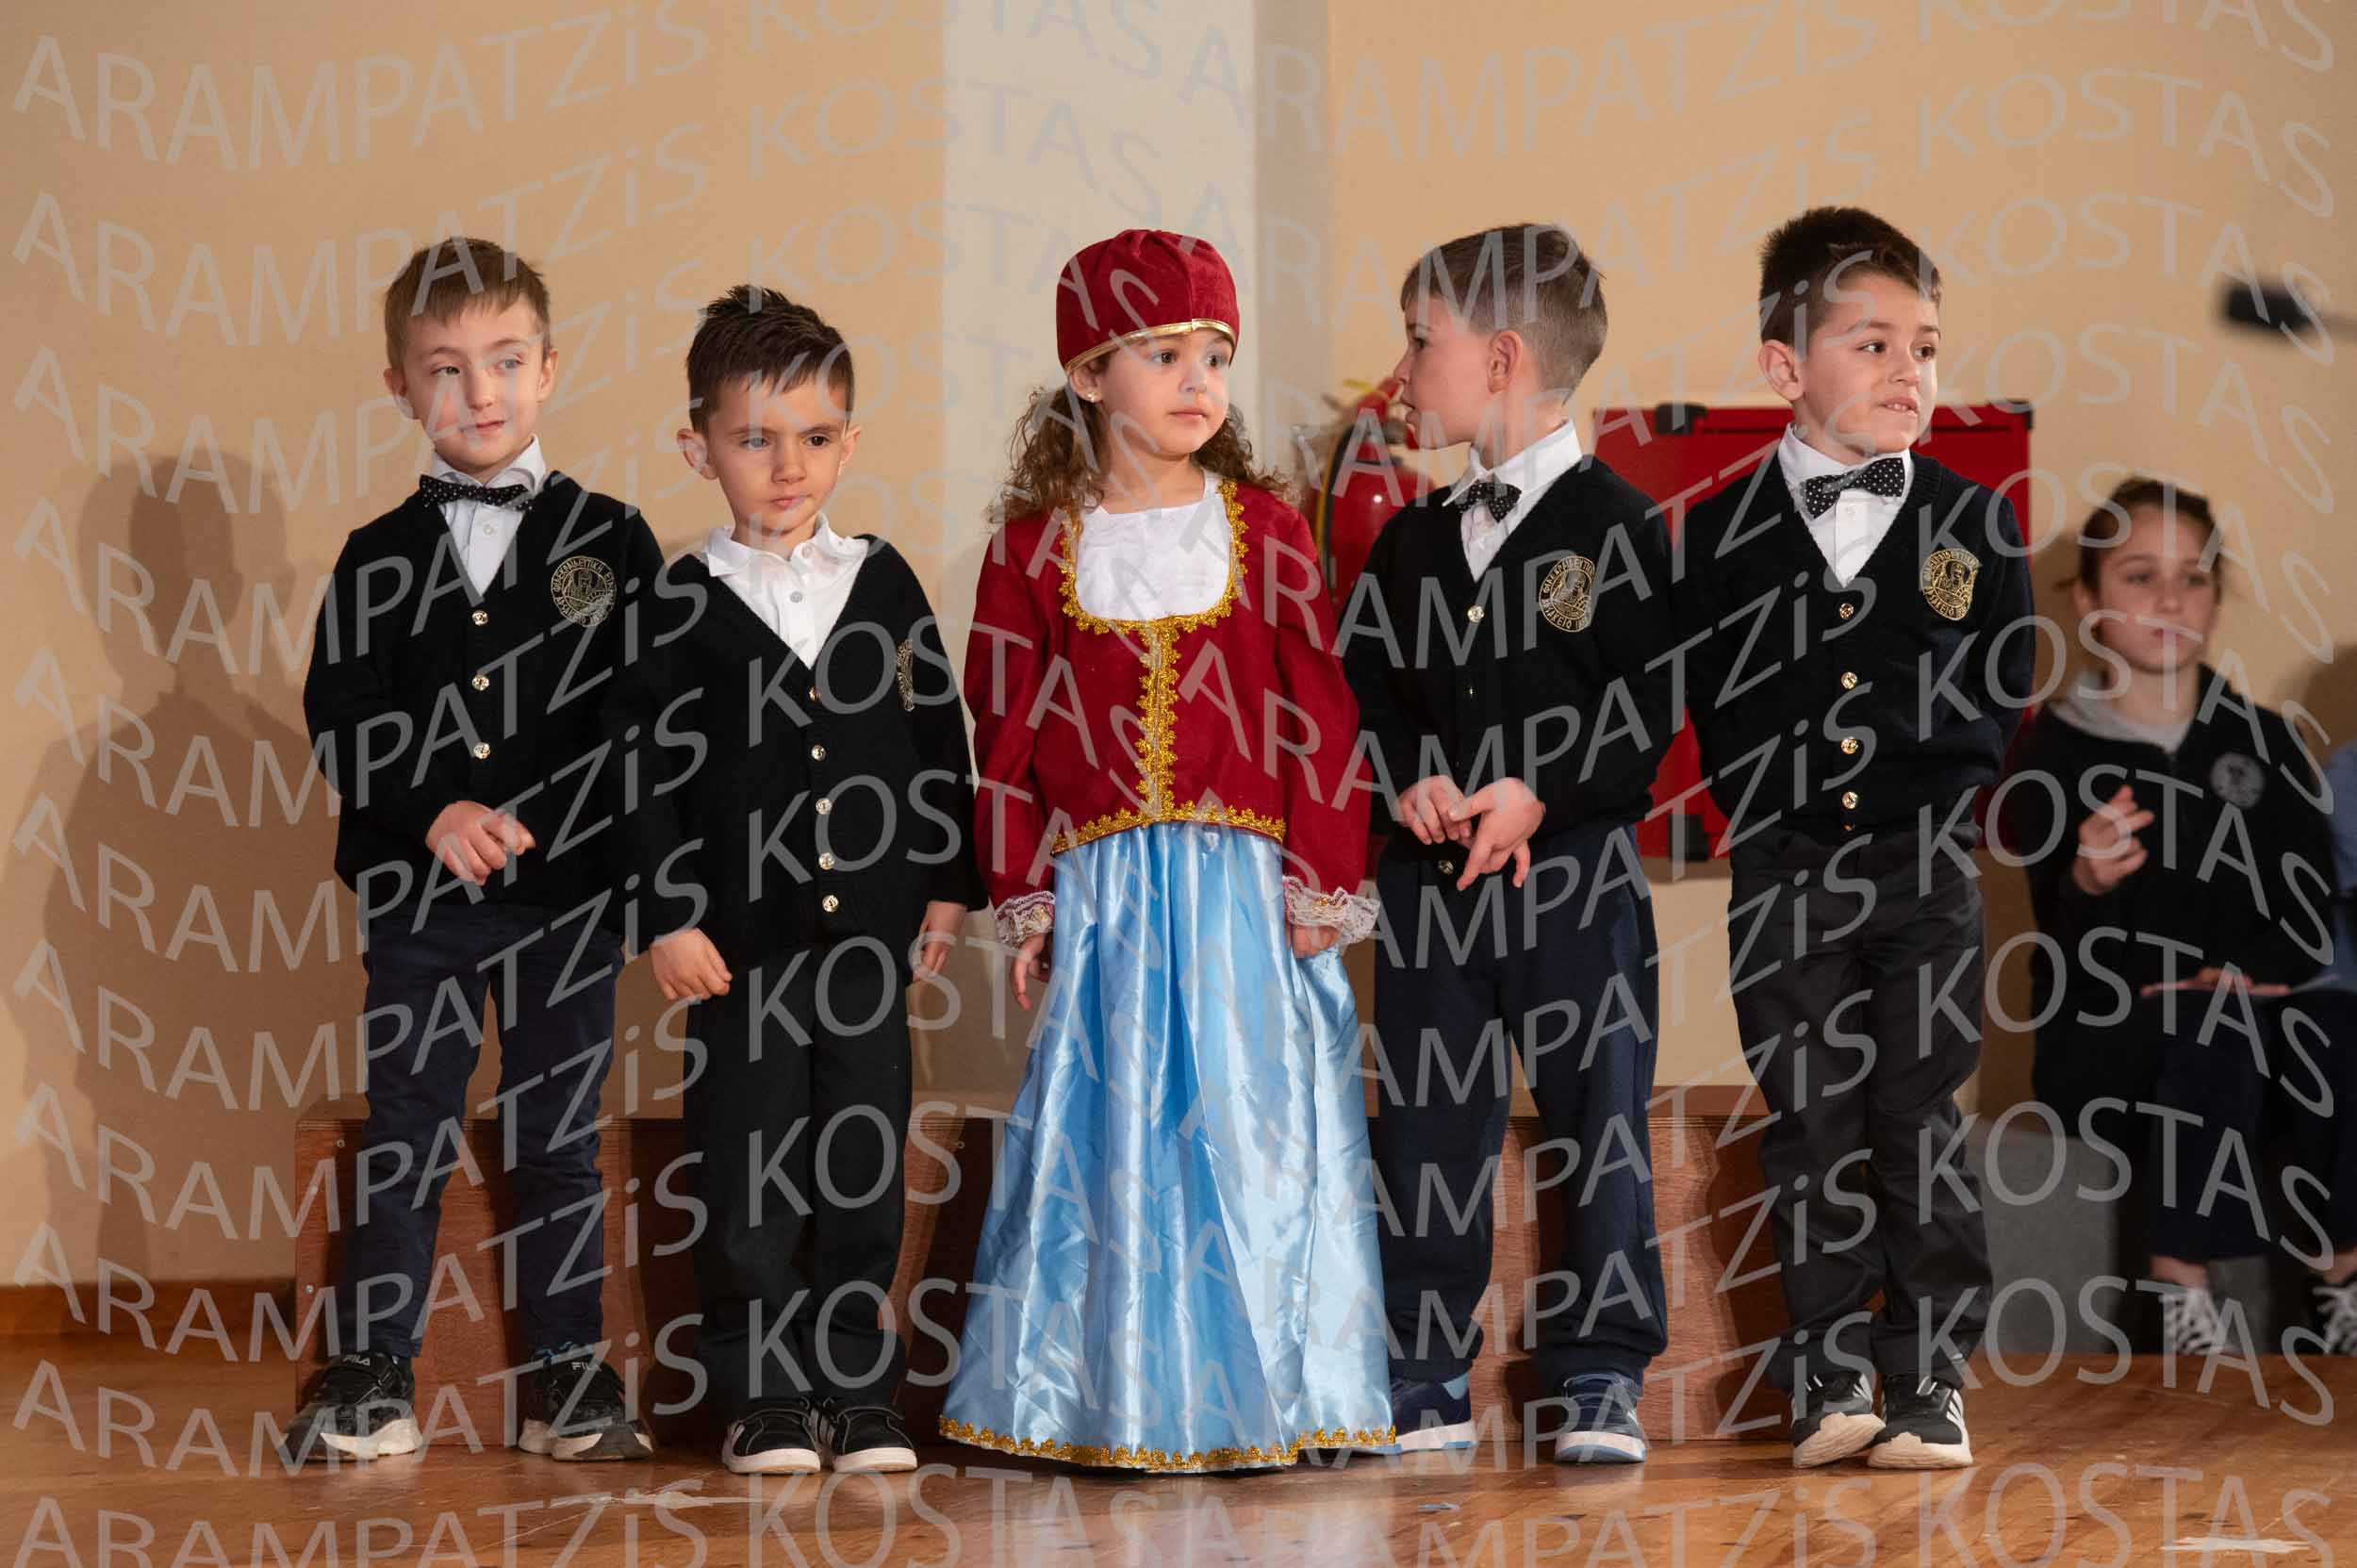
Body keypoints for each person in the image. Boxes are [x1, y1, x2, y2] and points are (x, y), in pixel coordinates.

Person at [941, 229, 1392, 1471]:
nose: (1199, 381)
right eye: (1163, 355)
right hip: (1107, 896)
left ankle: (1277, 1392)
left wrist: (1322, 876)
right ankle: (1110, 1396)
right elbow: (1003, 731)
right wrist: (1026, 892)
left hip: (1245, 888)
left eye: (1215, 357)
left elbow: (1319, 714)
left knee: (1253, 1131)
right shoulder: (1032, 549)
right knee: (1110, 1133)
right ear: (1089, 375)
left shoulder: (1269, 531)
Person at [600, 287, 985, 1473]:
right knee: (748, 1171)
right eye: (755, 439)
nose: (787, 466)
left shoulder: (884, 581)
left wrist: (947, 877)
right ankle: (761, 1391)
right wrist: (667, 916)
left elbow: (936, 737)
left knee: (860, 1163)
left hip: (868, 940)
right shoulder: (673, 605)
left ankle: (856, 1389)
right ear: (698, 447)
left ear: (849, 442)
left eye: (814, 437)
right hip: (740, 951)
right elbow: (640, 778)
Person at [1673, 206, 2035, 1470]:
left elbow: (1998, 689)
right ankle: (1827, 1365)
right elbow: (1710, 697)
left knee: (1917, 1115)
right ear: (1786, 365)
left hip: (1924, 869)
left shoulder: (1977, 523)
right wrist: (1776, 809)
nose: (1906, 373)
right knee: (1811, 1115)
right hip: (1785, 872)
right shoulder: (1717, 534)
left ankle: (1928, 1369)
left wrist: (1921, 795)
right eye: (1871, 345)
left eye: (1924, 347)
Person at [290, 237, 662, 1463]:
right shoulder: (375, 555)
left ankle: (567, 1371)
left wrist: (549, 813)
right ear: (402, 386)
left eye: (505, 360)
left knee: (558, 1132)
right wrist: (436, 808)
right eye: (446, 367)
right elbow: (344, 711)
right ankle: (373, 1368)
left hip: (568, 898)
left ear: (549, 368)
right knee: (408, 1125)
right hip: (421, 899)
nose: (480, 390)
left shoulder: (613, 539)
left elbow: (640, 712)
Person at [1339, 222, 1674, 1463]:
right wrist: (1411, 779)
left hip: (1573, 884)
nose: (1400, 370)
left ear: (1500, 358)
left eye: (1418, 341)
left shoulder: (1619, 527)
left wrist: (1542, 792)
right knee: (1426, 1123)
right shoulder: (1412, 539)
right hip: (1433, 891)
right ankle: (1421, 1361)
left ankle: (1601, 1367)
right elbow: (1364, 699)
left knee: (1601, 1119)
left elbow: (1647, 710)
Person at [1999, 476, 2356, 1358]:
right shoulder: (2047, 750)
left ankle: (2342, 1280)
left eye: (2192, 577)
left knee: (2337, 1024)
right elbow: (2061, 944)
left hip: (2249, 1016)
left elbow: (2308, 907)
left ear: (2216, 597)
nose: (2170, 598)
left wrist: (2243, 972)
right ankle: (2181, 1290)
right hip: (2107, 1034)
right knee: (2210, 1024)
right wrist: (2086, 881)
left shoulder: (2265, 740)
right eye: (2139, 576)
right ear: (2088, 602)